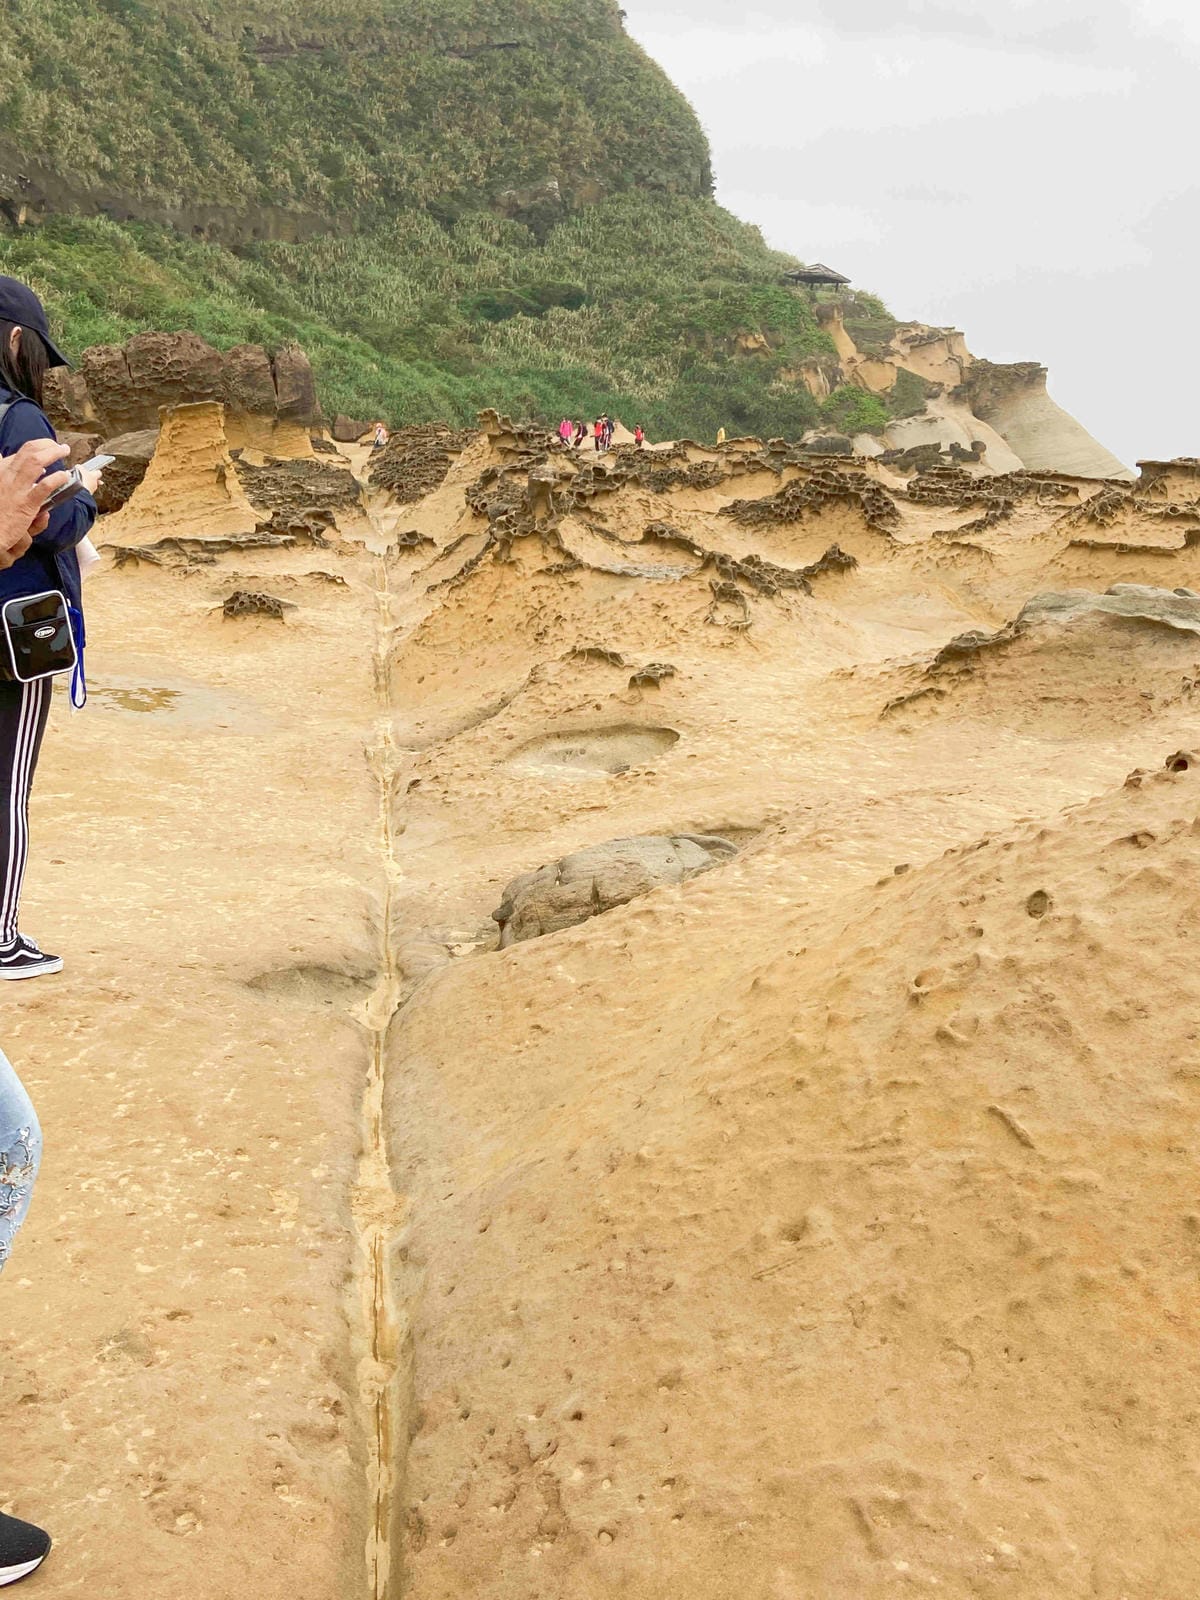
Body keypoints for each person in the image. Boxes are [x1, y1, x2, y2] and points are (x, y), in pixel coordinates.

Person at [0, 276, 102, 980]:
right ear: (14, 341)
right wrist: (86, 497)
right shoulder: (21, 419)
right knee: (6, 783)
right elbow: (53, 519)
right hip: (17, 627)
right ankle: (1, 937)